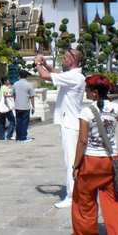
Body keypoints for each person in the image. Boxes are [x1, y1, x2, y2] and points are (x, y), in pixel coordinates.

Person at [71, 75, 118, 235]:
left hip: (90, 161)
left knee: (85, 202)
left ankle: (86, 232)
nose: (86, 92)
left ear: (95, 92)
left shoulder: (86, 112)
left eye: (88, 90)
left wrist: (76, 166)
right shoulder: (116, 108)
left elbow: (82, 142)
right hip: (110, 161)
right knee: (113, 201)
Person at [34, 49, 85, 209]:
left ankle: (72, 196)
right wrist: (46, 64)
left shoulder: (73, 76)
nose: (62, 60)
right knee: (72, 160)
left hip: (70, 124)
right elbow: (56, 74)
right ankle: (76, 191)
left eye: (64, 58)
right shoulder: (76, 75)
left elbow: (44, 77)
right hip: (71, 122)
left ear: (71, 61)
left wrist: (37, 63)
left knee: (70, 160)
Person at [12, 69, 35, 142]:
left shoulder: (15, 84)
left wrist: (15, 102)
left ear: (20, 76)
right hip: (26, 106)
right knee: (24, 122)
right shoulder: (29, 85)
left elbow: (13, 95)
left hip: (18, 105)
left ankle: (18, 137)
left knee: (18, 122)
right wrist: (33, 106)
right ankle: (23, 136)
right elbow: (32, 96)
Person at [0, 76, 16, 140]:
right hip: (6, 108)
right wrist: (11, 95)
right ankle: (9, 135)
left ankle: (1, 136)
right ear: (5, 81)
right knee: (12, 121)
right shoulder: (5, 87)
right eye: (7, 80)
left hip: (1, 108)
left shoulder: (1, 88)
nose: (8, 81)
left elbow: (0, 98)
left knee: (2, 122)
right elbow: (5, 95)